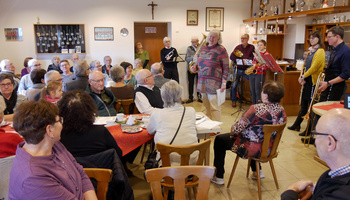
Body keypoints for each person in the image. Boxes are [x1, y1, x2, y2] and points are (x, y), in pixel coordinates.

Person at [8, 100, 97, 200]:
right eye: (59, 120)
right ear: (49, 130)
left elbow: (80, 173)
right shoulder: (34, 178)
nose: (62, 125)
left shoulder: (54, 145)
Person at [58, 91, 134, 199]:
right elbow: (118, 154)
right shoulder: (100, 131)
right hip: (103, 185)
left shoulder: (58, 137)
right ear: (90, 110)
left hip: (69, 186)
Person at [211, 81, 287, 185]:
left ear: (265, 95)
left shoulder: (255, 109)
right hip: (270, 149)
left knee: (220, 139)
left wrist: (234, 134)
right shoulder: (282, 110)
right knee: (256, 137)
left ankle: (218, 177)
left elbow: (236, 129)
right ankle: (257, 171)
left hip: (251, 150)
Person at [281, 108, 350, 200]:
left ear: (330, 143)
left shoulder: (340, 195)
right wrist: (316, 192)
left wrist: (290, 192)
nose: (315, 141)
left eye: (315, 134)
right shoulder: (335, 174)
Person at [303, 26, 350, 144]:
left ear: (337, 37)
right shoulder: (334, 49)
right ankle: (316, 139)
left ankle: (322, 141)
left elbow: (346, 74)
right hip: (327, 84)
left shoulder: (345, 51)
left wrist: (328, 83)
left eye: (329, 37)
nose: (327, 39)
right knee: (319, 112)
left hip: (335, 87)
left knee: (327, 115)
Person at [147, 80, 198, 166]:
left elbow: (150, 131)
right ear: (180, 96)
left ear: (163, 97)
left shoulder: (157, 114)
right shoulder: (191, 111)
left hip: (167, 167)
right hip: (192, 164)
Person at [288, 31, 325, 133]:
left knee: (311, 106)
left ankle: (309, 129)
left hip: (313, 81)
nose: (311, 39)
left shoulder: (320, 51)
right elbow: (304, 65)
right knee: (303, 104)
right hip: (306, 80)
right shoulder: (310, 51)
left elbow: (314, 68)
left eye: (314, 37)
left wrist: (304, 76)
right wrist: (301, 76)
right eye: (310, 38)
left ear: (319, 39)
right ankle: (297, 124)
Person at [190, 29, 229, 121]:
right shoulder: (203, 48)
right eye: (210, 36)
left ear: (218, 38)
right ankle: (209, 127)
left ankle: (216, 129)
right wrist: (195, 67)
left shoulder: (221, 49)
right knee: (206, 106)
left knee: (215, 107)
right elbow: (198, 62)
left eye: (214, 36)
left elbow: (226, 67)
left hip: (214, 83)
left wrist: (224, 83)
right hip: (202, 81)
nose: (211, 38)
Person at [230, 33, 255, 107]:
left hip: (247, 69)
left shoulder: (251, 47)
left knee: (252, 84)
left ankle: (252, 101)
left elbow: (254, 57)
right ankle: (233, 101)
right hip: (238, 69)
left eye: (244, 38)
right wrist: (237, 60)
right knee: (234, 85)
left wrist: (247, 60)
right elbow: (231, 56)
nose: (242, 39)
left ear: (247, 39)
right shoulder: (238, 47)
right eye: (241, 38)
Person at [250, 39, 269, 104]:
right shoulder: (256, 53)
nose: (259, 47)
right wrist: (254, 65)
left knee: (258, 91)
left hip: (260, 74)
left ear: (265, 46)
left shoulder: (266, 54)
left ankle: (257, 106)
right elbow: (254, 61)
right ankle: (253, 106)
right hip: (254, 73)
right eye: (258, 45)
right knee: (253, 91)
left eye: (261, 45)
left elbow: (267, 66)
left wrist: (257, 66)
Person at [185, 36, 202, 103]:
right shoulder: (189, 48)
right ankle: (190, 98)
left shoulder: (201, 48)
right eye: (192, 42)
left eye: (195, 42)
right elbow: (186, 58)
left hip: (199, 68)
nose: (194, 43)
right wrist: (193, 58)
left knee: (199, 83)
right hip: (191, 68)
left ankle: (199, 97)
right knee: (191, 83)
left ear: (198, 41)